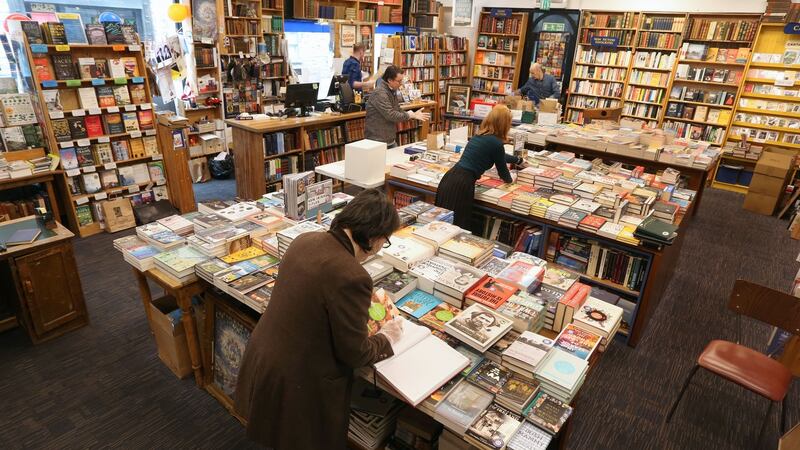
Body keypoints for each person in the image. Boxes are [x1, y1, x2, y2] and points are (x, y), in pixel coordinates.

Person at [234, 189, 405, 450]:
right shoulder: (352, 275)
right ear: (373, 236)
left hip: (266, 359)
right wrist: (387, 338)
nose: (382, 247)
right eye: (386, 240)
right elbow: (355, 354)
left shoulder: (305, 239)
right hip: (299, 382)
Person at [435, 105, 524, 229]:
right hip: (462, 184)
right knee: (457, 225)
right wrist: (513, 178)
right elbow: (504, 174)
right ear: (504, 124)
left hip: (450, 178)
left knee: (442, 224)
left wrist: (518, 160)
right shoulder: (496, 143)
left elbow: (499, 155)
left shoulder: (479, 136)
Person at [365, 65, 430, 147]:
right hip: (377, 141)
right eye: (399, 81)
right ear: (389, 80)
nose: (401, 84)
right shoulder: (380, 93)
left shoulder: (391, 90)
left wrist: (412, 114)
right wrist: (409, 115)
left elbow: (397, 109)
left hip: (388, 138)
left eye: (402, 81)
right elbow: (391, 115)